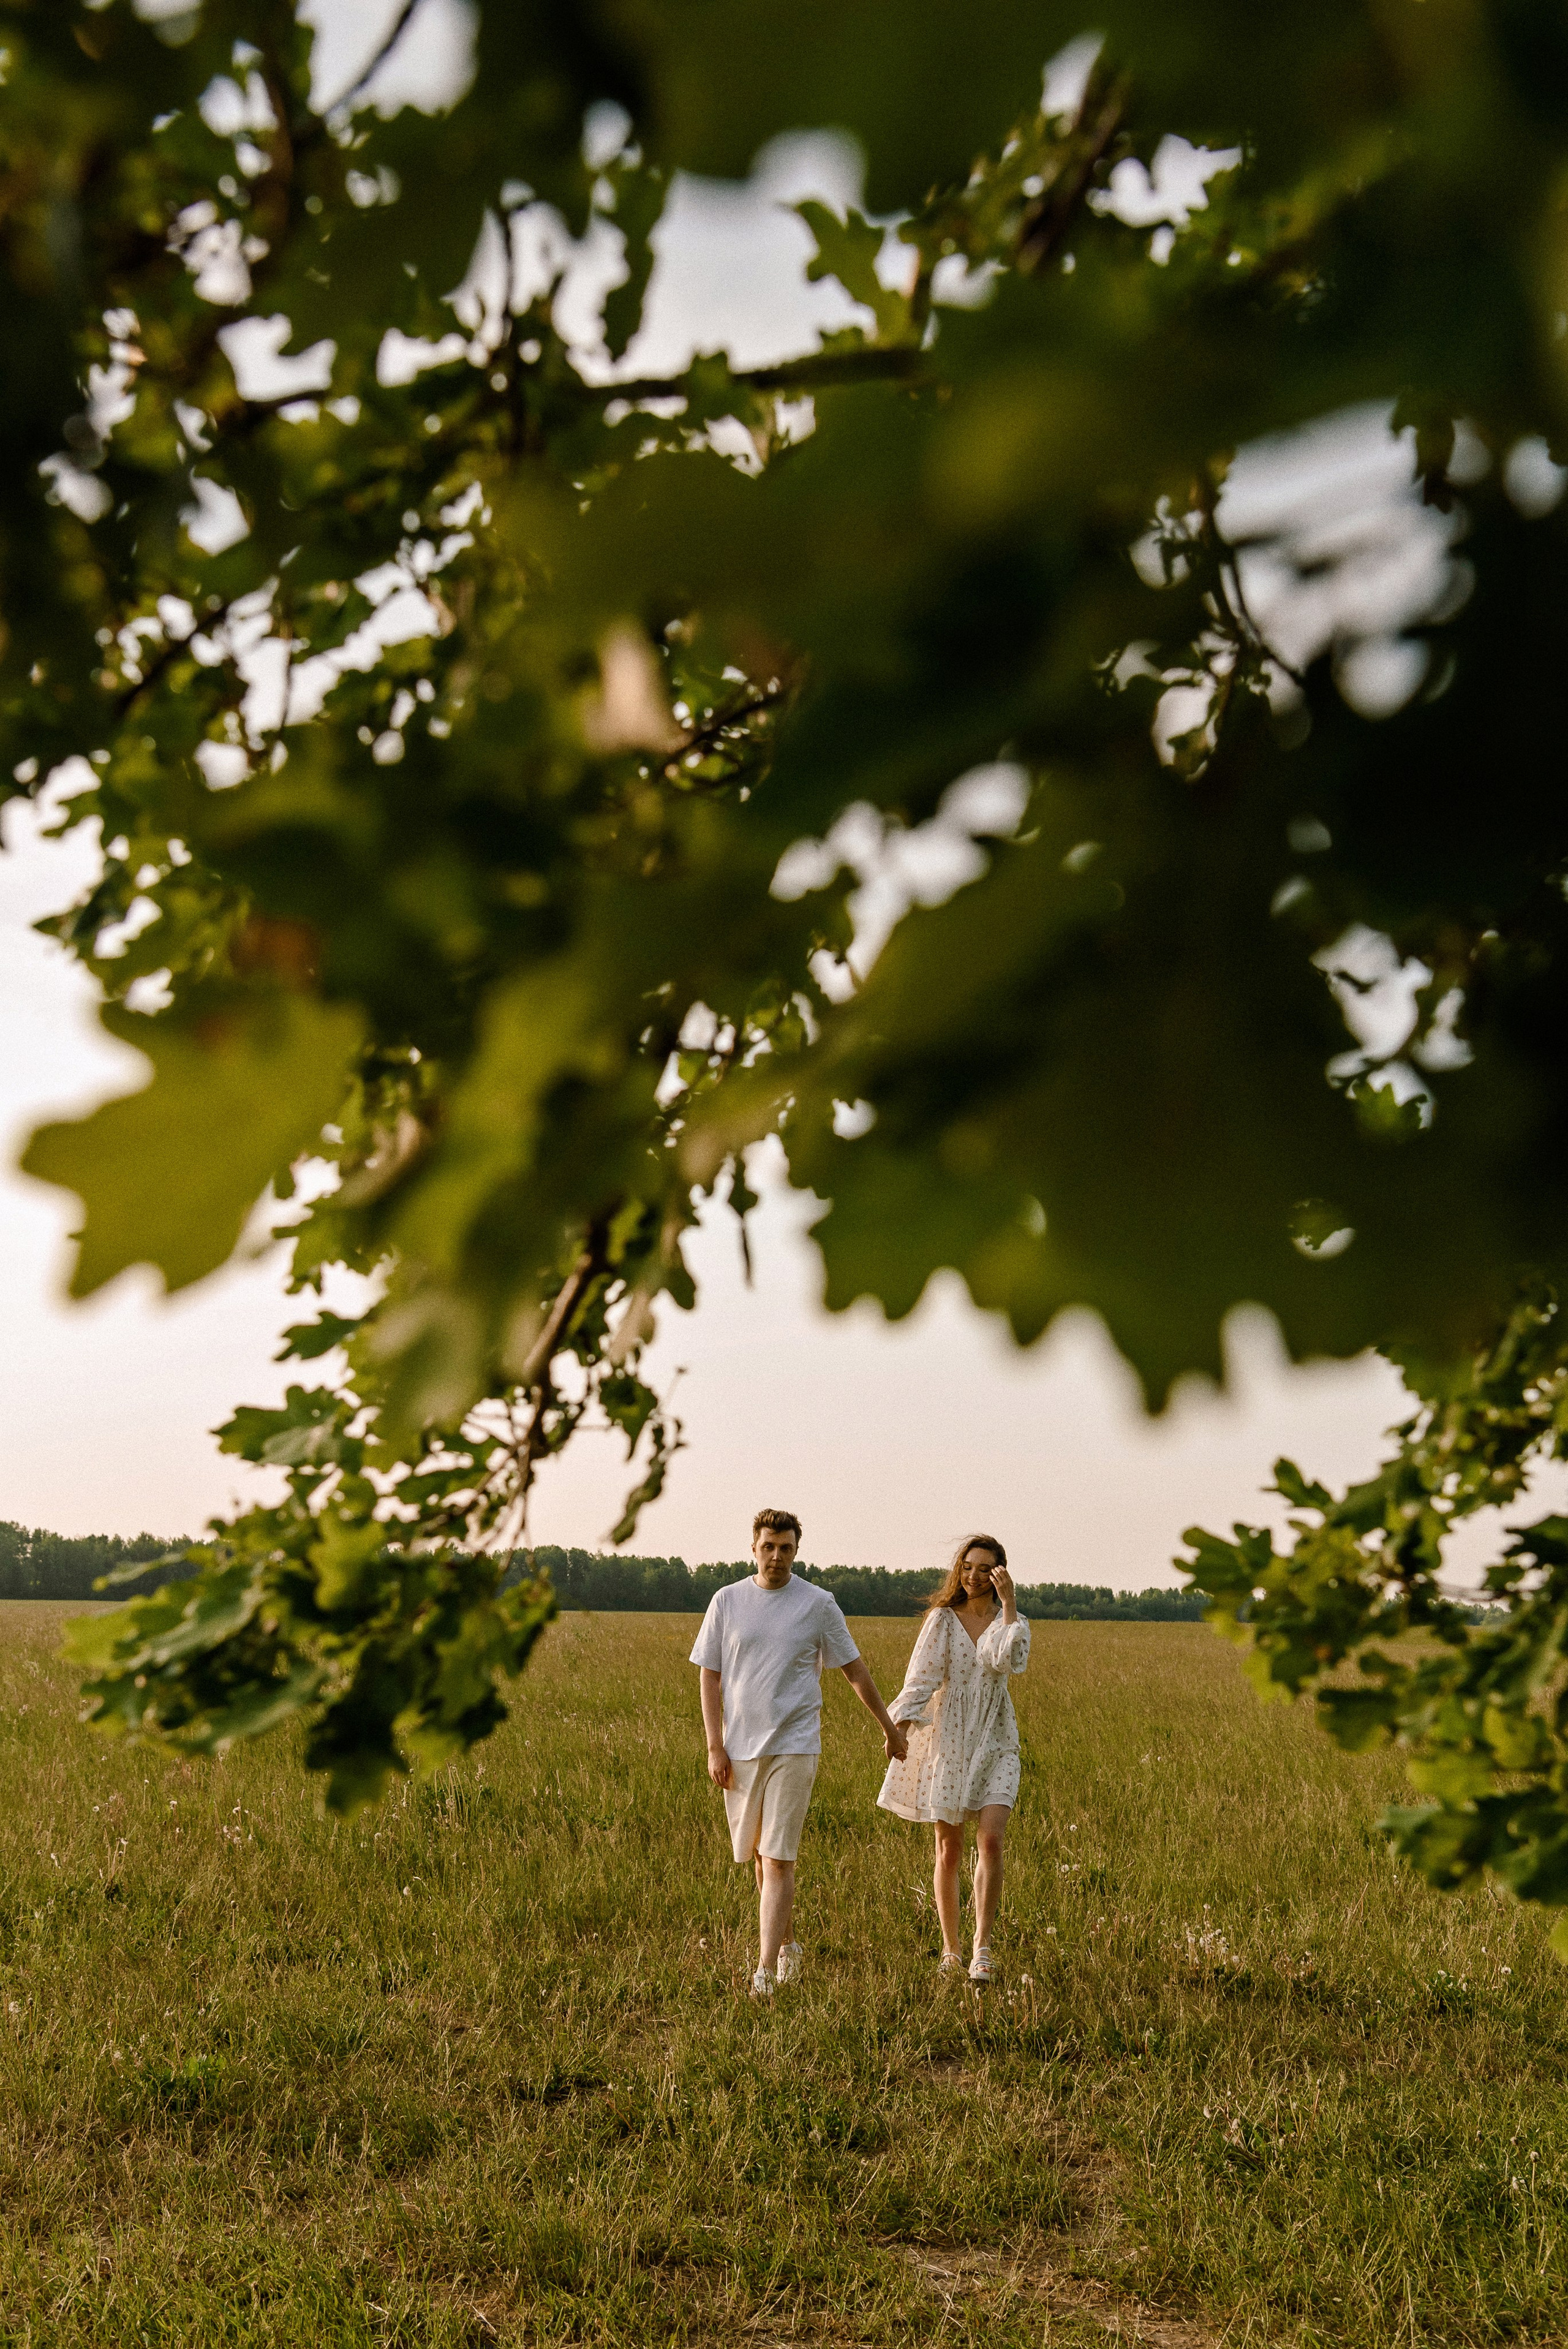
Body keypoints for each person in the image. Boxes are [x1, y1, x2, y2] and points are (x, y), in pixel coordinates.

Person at [692, 1507, 909, 1999]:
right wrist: (714, 1745)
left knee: (778, 1857)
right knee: (756, 1854)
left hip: (795, 1745)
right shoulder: (727, 1601)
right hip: (740, 1749)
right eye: (768, 1547)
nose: (777, 1557)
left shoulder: (817, 1603)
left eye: (786, 1548)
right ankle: (788, 1946)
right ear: (754, 1548)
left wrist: (891, 1730)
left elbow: (854, 1670)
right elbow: (709, 1673)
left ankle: (765, 1969)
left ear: (796, 1551)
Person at [878, 1534, 1030, 1983]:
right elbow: (920, 1679)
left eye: (985, 1569)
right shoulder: (942, 1621)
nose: (974, 1576)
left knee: (992, 1841)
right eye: (967, 1567)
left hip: (996, 1736)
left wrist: (1008, 1604)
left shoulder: (1013, 1622)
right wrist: (899, 1728)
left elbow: (1009, 1661)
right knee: (949, 1848)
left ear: (1000, 1572)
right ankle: (951, 1949)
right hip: (949, 1739)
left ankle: (982, 1947)